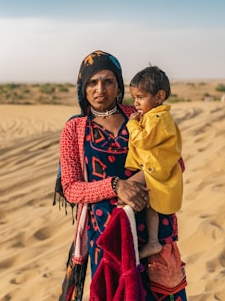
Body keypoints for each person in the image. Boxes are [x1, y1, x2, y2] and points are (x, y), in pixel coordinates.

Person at [58, 50, 187, 300]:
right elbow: (71, 189)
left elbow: (175, 162)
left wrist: (140, 182)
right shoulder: (74, 128)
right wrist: (116, 186)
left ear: (118, 85)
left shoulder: (140, 115)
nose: (100, 89)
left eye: (108, 81)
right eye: (92, 82)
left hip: (152, 234)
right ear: (82, 88)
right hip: (108, 237)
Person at [125, 66, 183, 260]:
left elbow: (142, 140)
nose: (136, 103)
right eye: (134, 98)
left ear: (159, 96)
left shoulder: (159, 118)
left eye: (140, 97)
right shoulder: (153, 116)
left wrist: (132, 123)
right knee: (151, 207)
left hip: (152, 168)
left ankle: (124, 240)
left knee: (125, 193)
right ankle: (153, 242)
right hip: (152, 166)